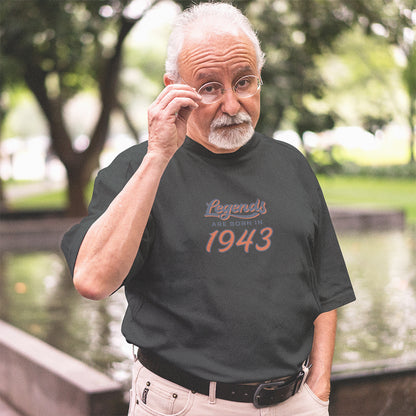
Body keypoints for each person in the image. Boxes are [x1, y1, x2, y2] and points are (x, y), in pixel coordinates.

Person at [61, 3, 355, 415]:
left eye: (244, 82)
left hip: (295, 402)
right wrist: (159, 155)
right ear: (173, 88)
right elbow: (92, 279)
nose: (233, 105)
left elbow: (325, 287)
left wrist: (319, 387)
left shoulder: (291, 165)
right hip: (183, 403)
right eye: (210, 87)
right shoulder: (135, 169)